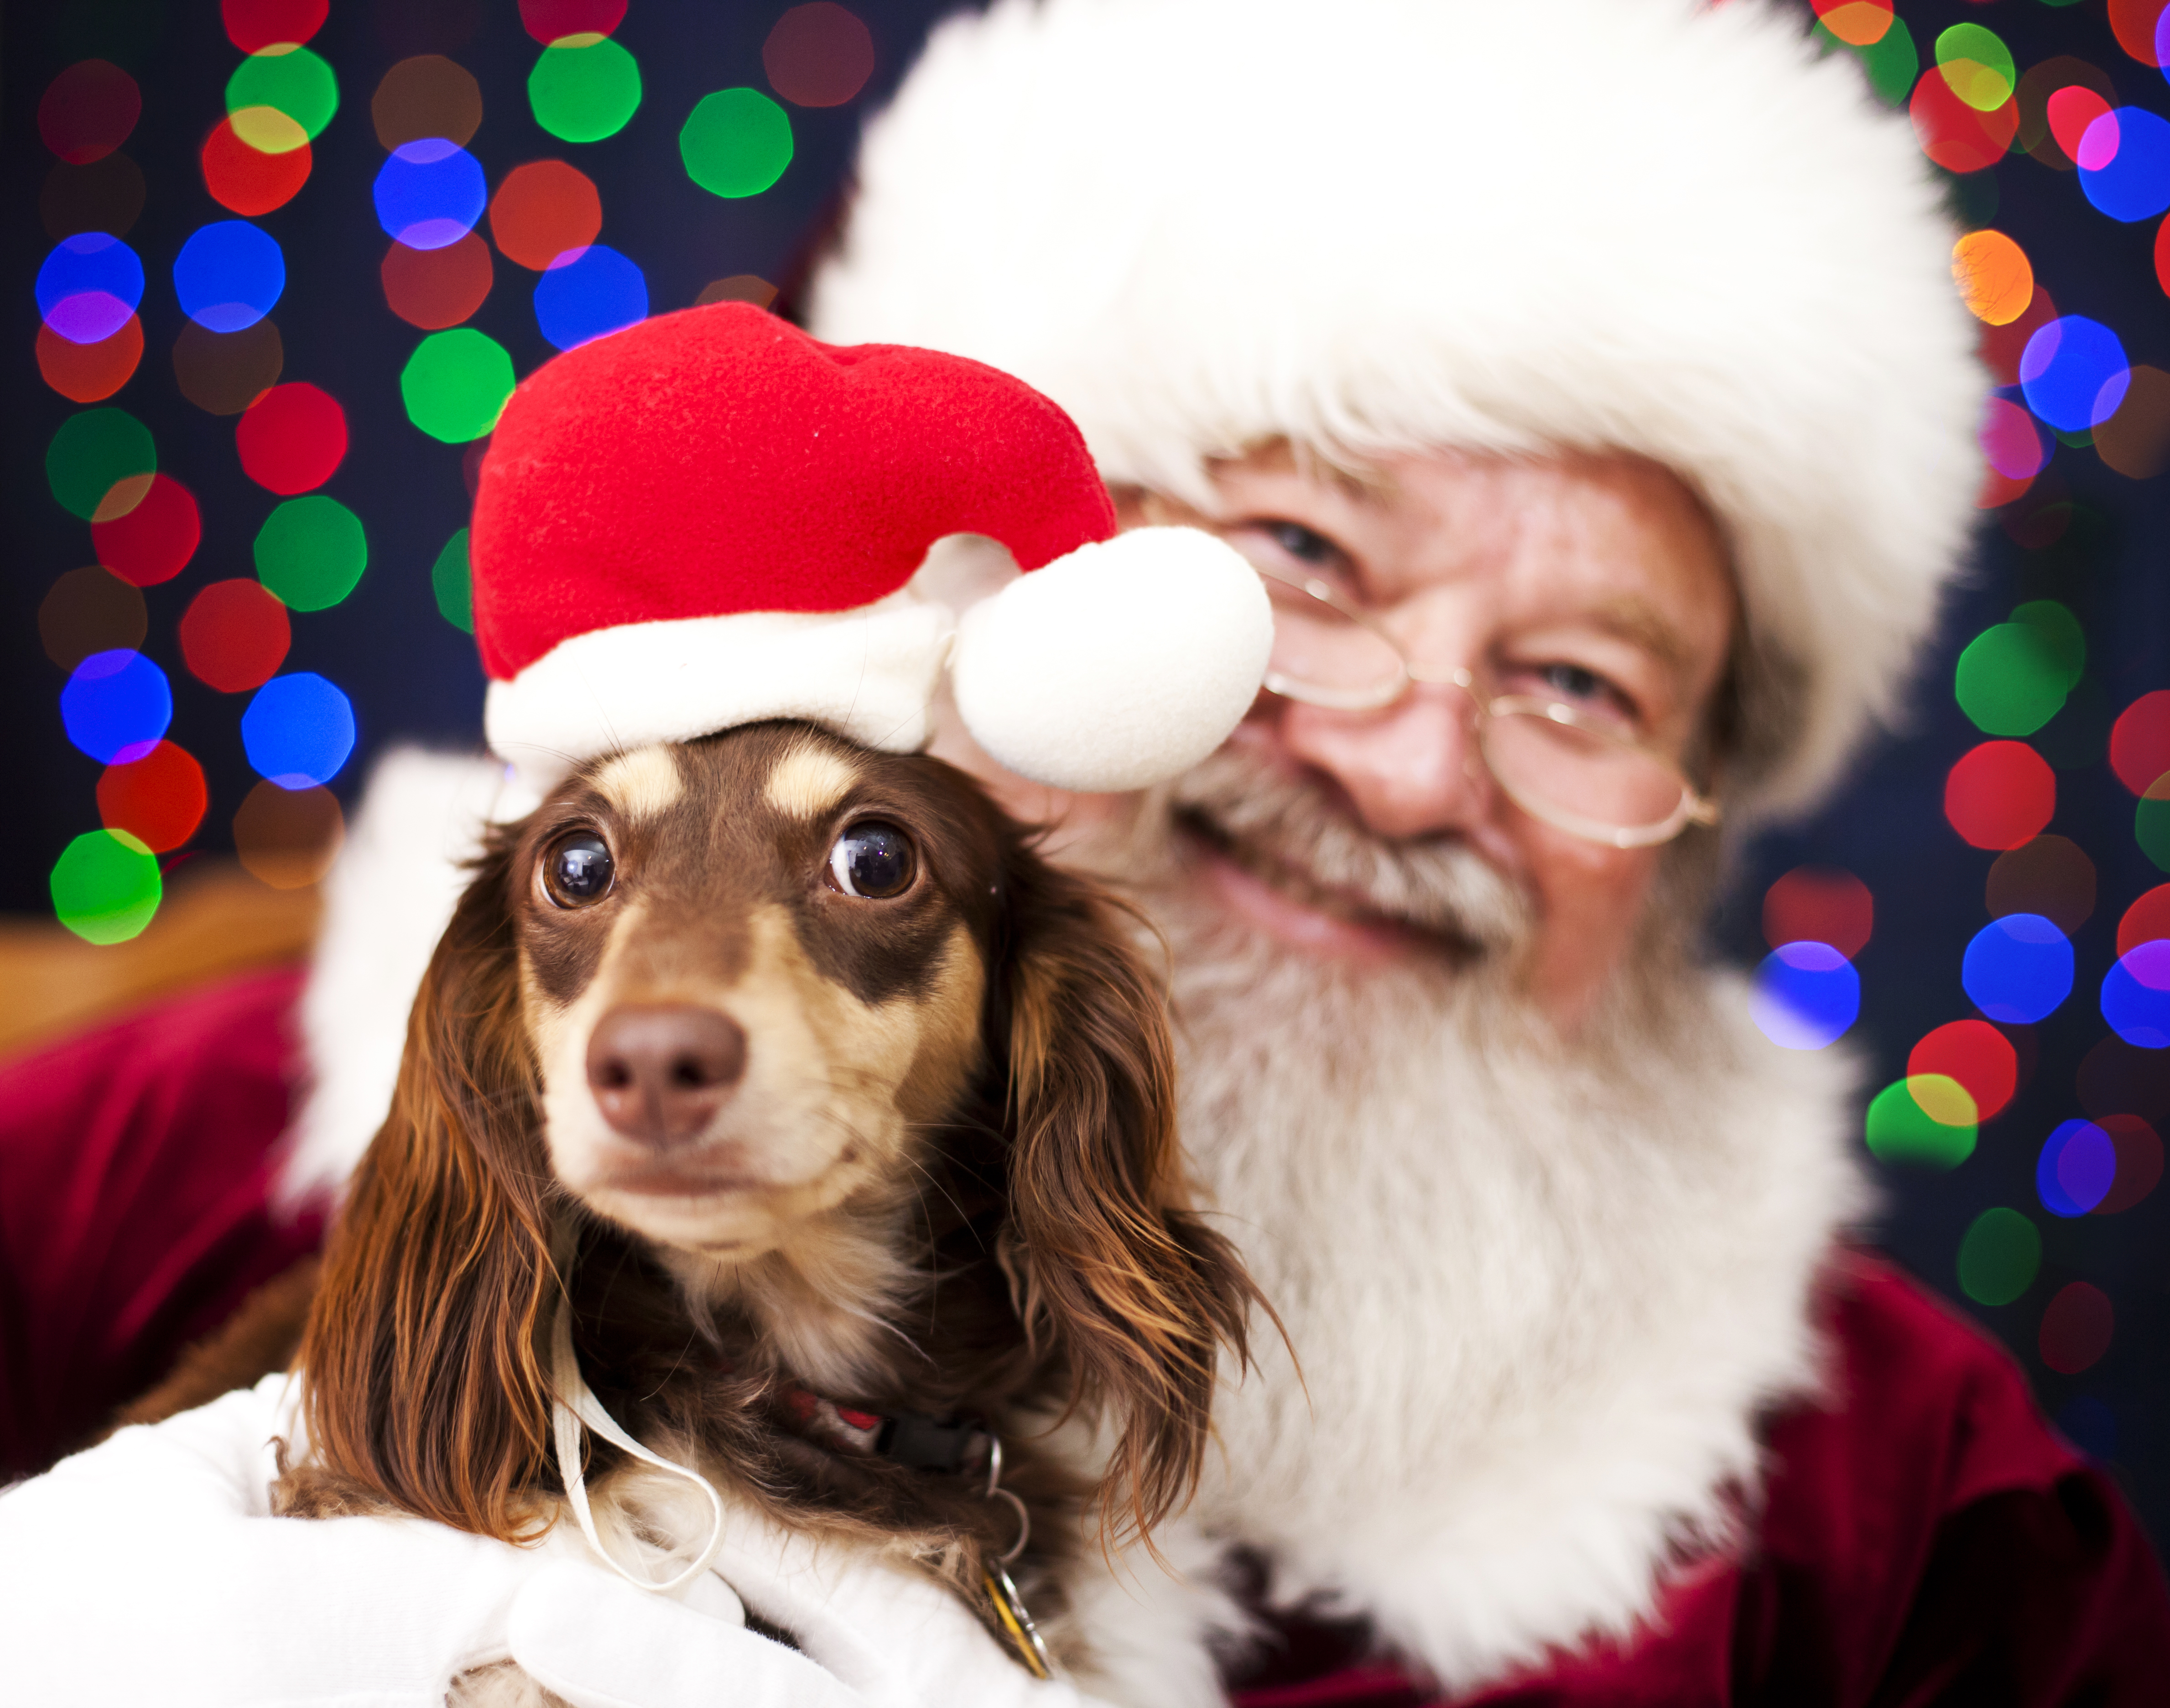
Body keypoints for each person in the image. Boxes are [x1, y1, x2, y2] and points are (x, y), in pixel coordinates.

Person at [1, 0, 2165, 1703]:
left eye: (1584, 686)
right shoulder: (232, 1143)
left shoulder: (1914, 1512)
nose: (1411, 770)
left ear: (1684, 839)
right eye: (1301, 556)